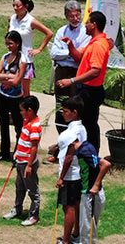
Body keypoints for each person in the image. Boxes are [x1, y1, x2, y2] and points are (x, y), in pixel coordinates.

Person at [57, 11, 111, 153]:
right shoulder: (92, 42)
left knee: (89, 125)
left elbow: (95, 71)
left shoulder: (99, 45)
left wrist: (72, 80)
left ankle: (91, 156)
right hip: (84, 90)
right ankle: (81, 152)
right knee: (83, 124)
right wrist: (70, 45)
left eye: (87, 22)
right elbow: (78, 57)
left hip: (91, 92)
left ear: (94, 25)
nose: (85, 25)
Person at [47, 96, 87, 244]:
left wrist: (61, 177)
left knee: (68, 207)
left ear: (74, 112)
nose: (63, 113)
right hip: (78, 173)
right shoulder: (81, 129)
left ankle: (65, 241)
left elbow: (69, 157)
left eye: (65, 111)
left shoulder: (71, 133)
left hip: (70, 175)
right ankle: (75, 234)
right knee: (75, 205)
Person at [49, 0, 91, 134]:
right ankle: (61, 135)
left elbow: (81, 56)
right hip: (61, 71)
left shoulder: (86, 32)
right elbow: (54, 53)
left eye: (77, 15)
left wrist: (71, 52)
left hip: (76, 72)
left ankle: (74, 138)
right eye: (72, 16)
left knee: (74, 106)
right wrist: (70, 52)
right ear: (66, 15)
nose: (75, 19)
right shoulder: (62, 31)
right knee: (61, 105)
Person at [2, 96, 42, 227]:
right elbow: (22, 141)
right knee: (19, 187)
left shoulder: (35, 126)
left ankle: (33, 216)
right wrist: (17, 153)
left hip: (27, 163)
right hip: (20, 161)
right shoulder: (26, 121)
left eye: (22, 110)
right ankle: (17, 209)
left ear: (29, 110)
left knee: (32, 190)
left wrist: (29, 165)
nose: (20, 112)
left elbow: (34, 147)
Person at [0, 31, 26, 162]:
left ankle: (19, 153)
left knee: (18, 126)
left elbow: (18, 80)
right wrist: (8, 77)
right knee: (4, 125)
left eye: (10, 43)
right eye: (7, 43)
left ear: (17, 43)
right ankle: (4, 152)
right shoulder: (5, 57)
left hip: (16, 98)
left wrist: (7, 79)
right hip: (2, 95)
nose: (8, 46)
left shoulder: (22, 59)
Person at [9, 0, 53, 97]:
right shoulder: (12, 18)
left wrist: (39, 49)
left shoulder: (31, 21)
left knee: (25, 91)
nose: (15, 8)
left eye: (18, 6)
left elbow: (49, 33)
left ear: (26, 6)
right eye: (13, 5)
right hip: (12, 59)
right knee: (11, 87)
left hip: (25, 60)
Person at [75, 140, 111, 244]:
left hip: (90, 195)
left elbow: (106, 164)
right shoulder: (87, 146)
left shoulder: (84, 151)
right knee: (90, 227)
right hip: (92, 194)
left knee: (87, 227)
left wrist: (95, 185)